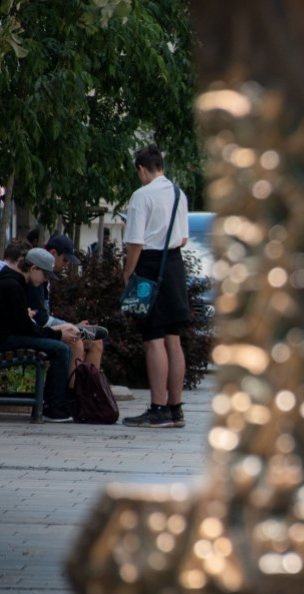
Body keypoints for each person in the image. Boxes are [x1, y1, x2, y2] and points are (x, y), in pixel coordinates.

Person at [122, 144, 190, 428]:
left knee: (153, 339)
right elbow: (183, 239)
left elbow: (135, 243)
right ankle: (175, 410)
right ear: (160, 165)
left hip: (148, 266)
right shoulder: (178, 193)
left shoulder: (141, 196)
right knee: (173, 339)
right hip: (174, 265)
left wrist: (127, 275)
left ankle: (158, 408)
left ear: (141, 168)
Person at [0, 248, 81, 422]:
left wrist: (25, 315)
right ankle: (54, 408)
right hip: (5, 340)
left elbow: (18, 321)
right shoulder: (13, 285)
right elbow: (25, 329)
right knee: (61, 349)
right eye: (45, 275)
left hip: (7, 335)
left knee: (60, 345)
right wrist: (57, 334)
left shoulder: (12, 281)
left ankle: (53, 404)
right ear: (34, 268)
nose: (45, 280)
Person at [25, 235, 106, 382]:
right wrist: (71, 327)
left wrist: (69, 327)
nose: (66, 265)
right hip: (38, 332)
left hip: (47, 330)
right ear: (54, 253)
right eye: (65, 260)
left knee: (96, 341)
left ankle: (88, 397)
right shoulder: (36, 274)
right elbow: (41, 319)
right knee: (77, 342)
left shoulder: (42, 275)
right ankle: (73, 398)